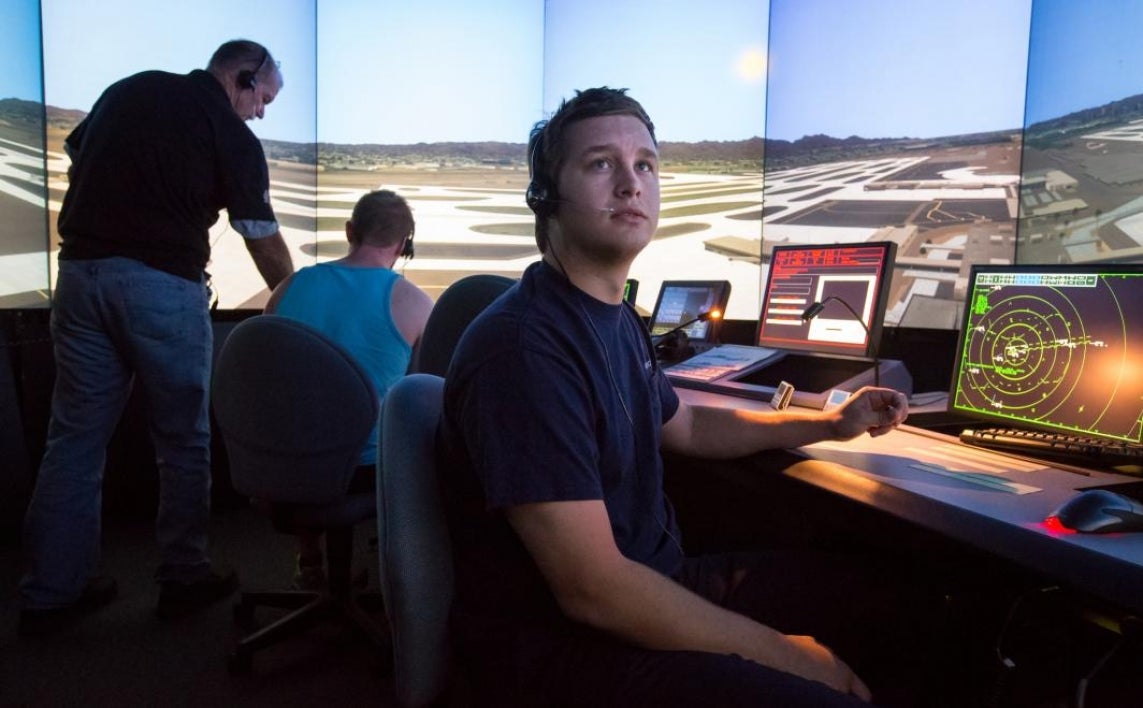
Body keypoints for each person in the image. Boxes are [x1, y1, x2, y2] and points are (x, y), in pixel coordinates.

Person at [439, 87, 940, 706]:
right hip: (562, 653)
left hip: (655, 581)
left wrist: (826, 424)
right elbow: (593, 590)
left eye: (645, 164)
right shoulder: (523, 349)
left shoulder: (616, 319)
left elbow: (689, 429)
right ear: (546, 198)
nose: (631, 183)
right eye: (601, 164)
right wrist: (796, 659)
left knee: (900, 603)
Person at [19, 39, 295, 637]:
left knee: (73, 442)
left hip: (81, 277)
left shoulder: (130, 89)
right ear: (242, 78)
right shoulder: (232, 135)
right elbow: (259, 233)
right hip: (162, 287)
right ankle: (184, 575)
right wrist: (298, 299)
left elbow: (74, 150)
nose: (261, 113)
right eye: (263, 98)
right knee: (182, 439)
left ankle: (49, 592)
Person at [265, 189, 433, 589]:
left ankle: (310, 558)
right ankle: (407, 577)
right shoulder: (413, 302)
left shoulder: (288, 287)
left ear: (349, 231)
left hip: (280, 461)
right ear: (403, 244)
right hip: (363, 470)